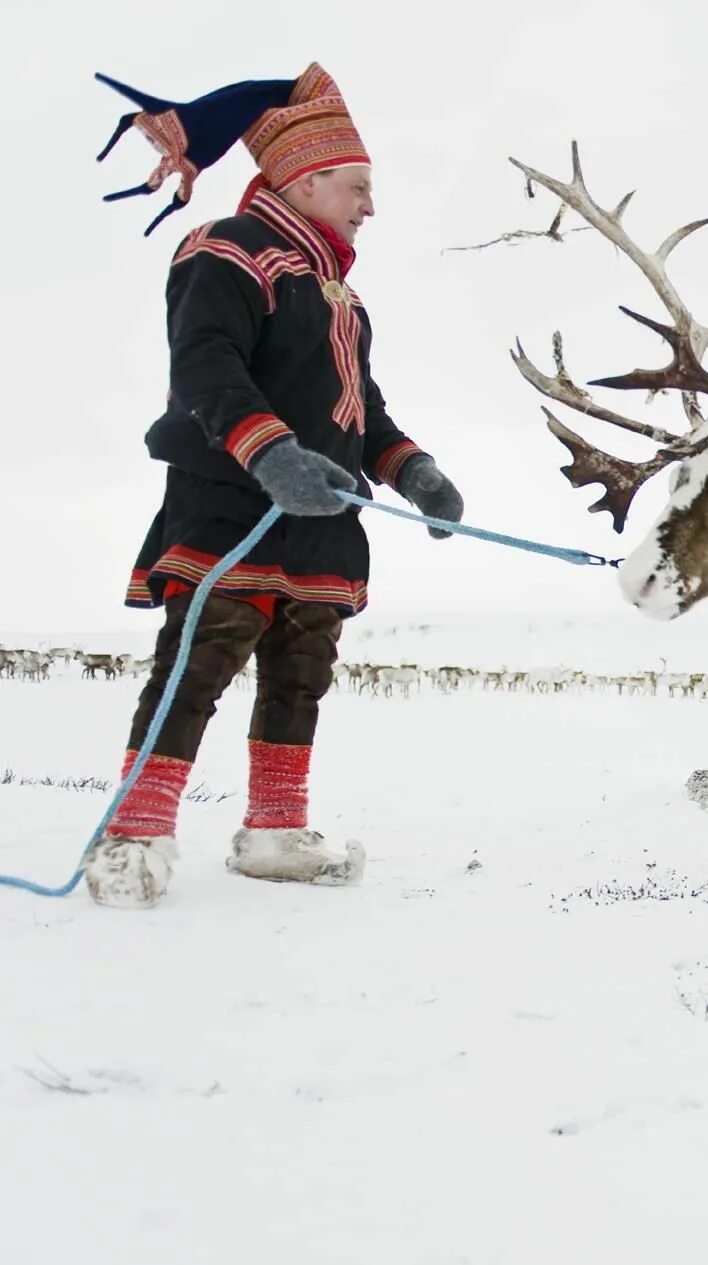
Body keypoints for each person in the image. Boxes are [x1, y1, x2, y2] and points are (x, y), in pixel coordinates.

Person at [80, 64, 465, 908]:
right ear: (307, 175)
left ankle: (275, 831)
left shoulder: (343, 296)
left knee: (301, 675)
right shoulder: (227, 249)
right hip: (232, 506)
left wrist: (415, 472)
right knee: (198, 665)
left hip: (323, 523)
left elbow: (364, 413)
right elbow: (208, 367)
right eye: (359, 186)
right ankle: (134, 835)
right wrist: (271, 455)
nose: (371, 206)